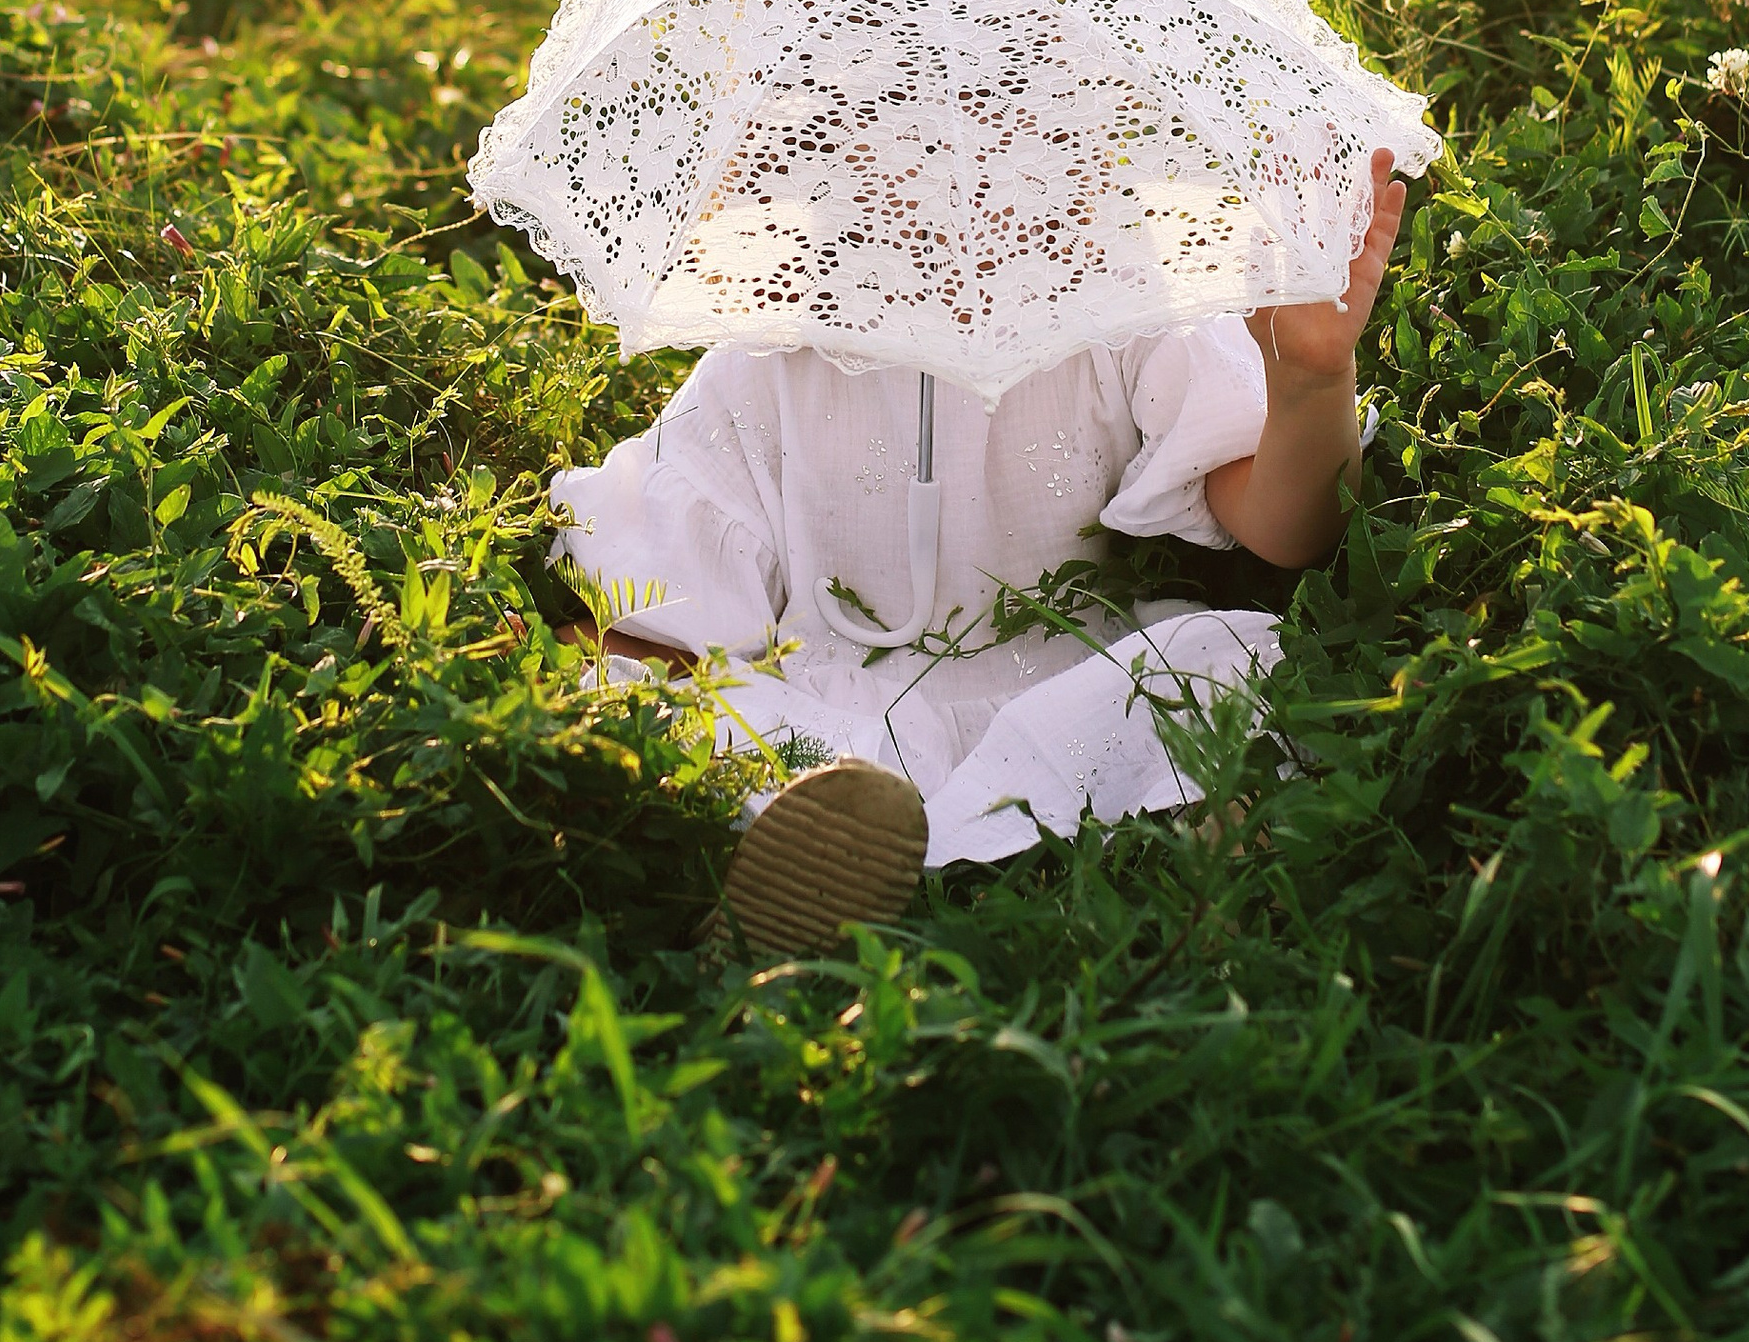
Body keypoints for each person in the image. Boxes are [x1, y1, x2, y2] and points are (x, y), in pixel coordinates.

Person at [553, 151, 1408, 949]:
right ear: (814, 154)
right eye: (890, 129)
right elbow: (651, 590)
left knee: (1228, 659)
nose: (957, 166)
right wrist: (624, 674)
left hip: (1074, 695)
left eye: (1005, 116)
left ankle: (1191, 866)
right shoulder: (764, 358)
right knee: (634, 682)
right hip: (836, 734)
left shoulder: (1124, 312)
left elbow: (1285, 529)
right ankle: (815, 862)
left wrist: (1310, 378)